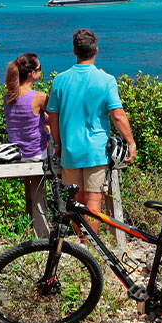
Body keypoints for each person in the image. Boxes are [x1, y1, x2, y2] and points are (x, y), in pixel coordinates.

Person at [47, 29, 136, 222]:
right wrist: (130, 143)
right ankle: (90, 249)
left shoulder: (60, 80)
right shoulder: (106, 80)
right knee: (94, 204)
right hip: (96, 151)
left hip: (70, 150)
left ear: (74, 51)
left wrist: (58, 144)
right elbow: (118, 115)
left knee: (75, 203)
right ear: (96, 50)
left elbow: (52, 115)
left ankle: (82, 246)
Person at [3, 52, 52, 238]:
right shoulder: (39, 96)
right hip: (36, 154)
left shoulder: (9, 96)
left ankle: (34, 228)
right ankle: (43, 229)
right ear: (32, 73)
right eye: (39, 69)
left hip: (16, 154)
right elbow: (56, 119)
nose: (41, 72)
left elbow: (26, 120)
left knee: (45, 124)